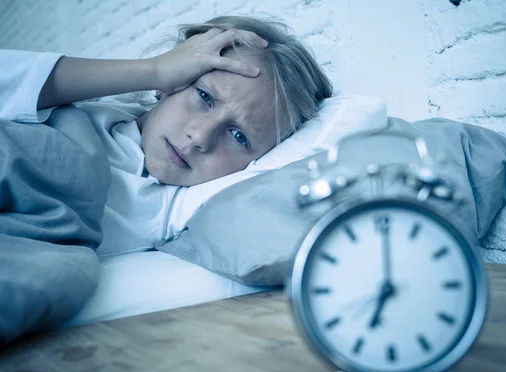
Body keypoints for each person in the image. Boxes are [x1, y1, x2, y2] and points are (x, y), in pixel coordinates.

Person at [1, 15, 333, 256]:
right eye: (204, 97)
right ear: (170, 85)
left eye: (239, 137)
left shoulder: (173, 212)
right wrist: (153, 70)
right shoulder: (90, 104)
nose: (201, 137)